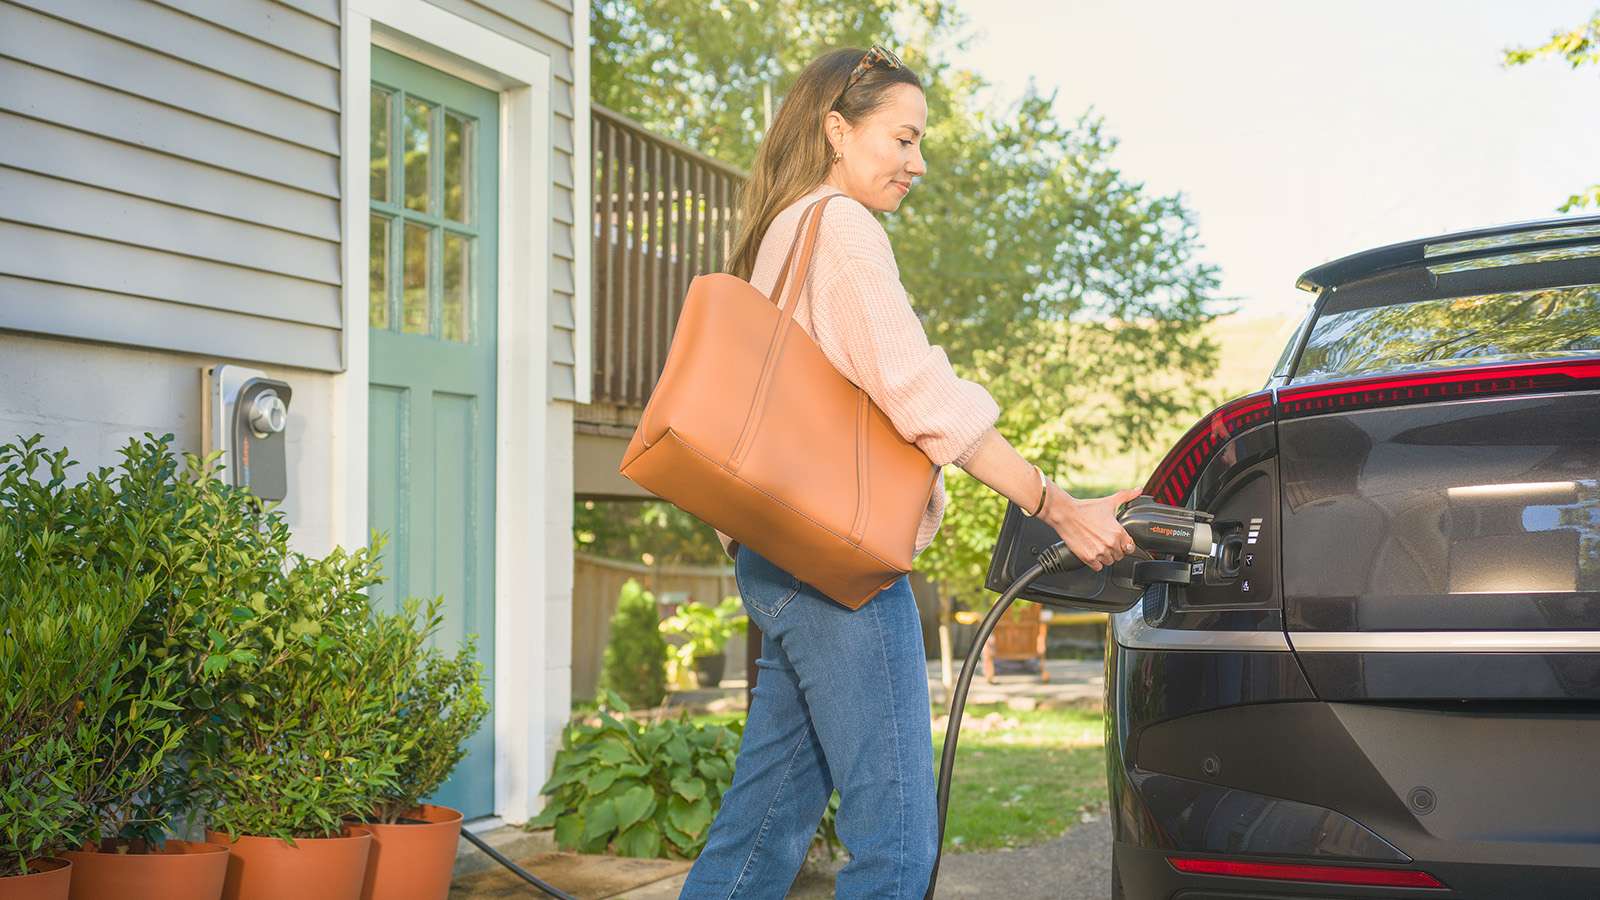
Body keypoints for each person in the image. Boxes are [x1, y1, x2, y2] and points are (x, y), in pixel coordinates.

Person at [681, 44, 1141, 900]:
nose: (917, 163)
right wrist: (1059, 506)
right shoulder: (843, 229)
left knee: (761, 831)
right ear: (835, 130)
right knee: (895, 845)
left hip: (778, 560)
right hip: (841, 569)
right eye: (902, 139)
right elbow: (922, 395)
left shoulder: (783, 232)